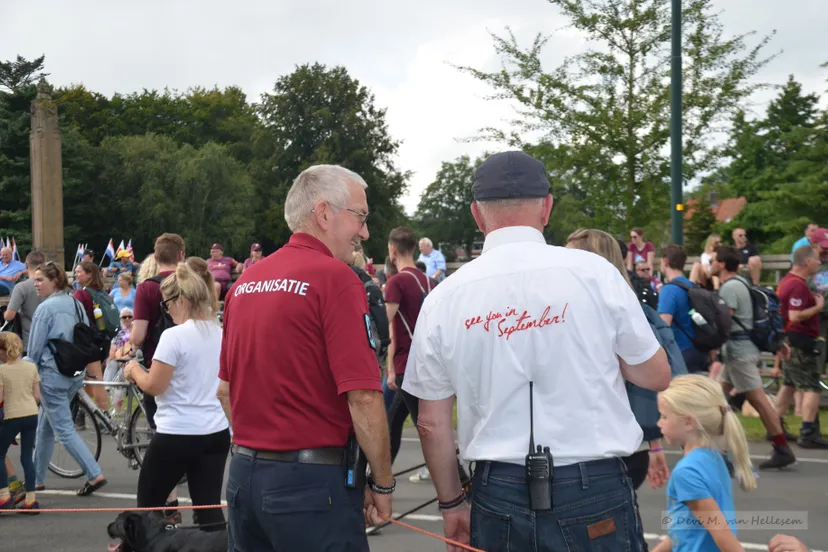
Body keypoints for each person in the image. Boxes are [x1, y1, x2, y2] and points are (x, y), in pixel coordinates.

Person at [402, 150, 670, 551]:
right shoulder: (596, 273)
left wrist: (452, 502)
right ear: (546, 207)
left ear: (478, 215)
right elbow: (656, 375)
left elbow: (432, 424)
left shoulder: (444, 298)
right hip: (592, 481)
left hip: (499, 487)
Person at [218, 164, 393, 551]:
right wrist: (381, 481)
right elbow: (363, 396)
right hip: (311, 486)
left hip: (245, 474)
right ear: (325, 213)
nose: (364, 232)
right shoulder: (337, 278)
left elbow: (225, 391)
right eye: (360, 217)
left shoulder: (243, 283)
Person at [565, 228, 686, 491]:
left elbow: (651, 381)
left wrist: (653, 444)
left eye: (572, 258)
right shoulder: (570, 312)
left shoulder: (625, 314)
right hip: (586, 445)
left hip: (615, 449)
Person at [124, 264, 230, 529]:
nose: (166, 309)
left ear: (181, 300)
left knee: (148, 507)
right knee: (209, 510)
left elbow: (155, 385)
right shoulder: (222, 333)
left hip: (177, 432)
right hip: (215, 431)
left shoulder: (174, 336)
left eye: (167, 303)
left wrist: (134, 370)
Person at [710, 246, 799, 467]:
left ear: (721, 264)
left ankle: (782, 448)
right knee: (717, 398)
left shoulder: (730, 287)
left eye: (713, 260)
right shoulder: (742, 283)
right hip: (739, 352)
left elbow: (725, 321)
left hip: (739, 352)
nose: (709, 264)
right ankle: (715, 446)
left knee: (758, 400)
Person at [28, 261, 107, 496]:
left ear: (54, 281)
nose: (36, 284)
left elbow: (34, 350)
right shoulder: (75, 302)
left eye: (40, 279)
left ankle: (94, 474)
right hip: (74, 372)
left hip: (52, 373)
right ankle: (36, 478)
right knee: (45, 427)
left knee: (62, 428)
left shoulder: (44, 309)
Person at [653, 374, 756, 552]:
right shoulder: (713, 457)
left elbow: (721, 531)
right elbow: (686, 528)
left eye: (664, 416)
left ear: (688, 422)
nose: (658, 423)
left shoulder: (687, 472)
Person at [773, 245, 827, 448]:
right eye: (816, 259)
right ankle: (807, 431)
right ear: (806, 262)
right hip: (800, 340)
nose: (820, 262)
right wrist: (817, 307)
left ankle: (775, 425)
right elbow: (795, 316)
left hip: (788, 339)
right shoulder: (797, 285)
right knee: (811, 387)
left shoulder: (787, 281)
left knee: (788, 384)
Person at [0, 332, 41, 512]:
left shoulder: (2, 370)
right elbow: (37, 396)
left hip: (12, 415)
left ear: (3, 351)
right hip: (31, 414)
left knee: (0, 455)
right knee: (26, 457)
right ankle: (30, 500)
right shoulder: (31, 368)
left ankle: (4, 496)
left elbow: (0, 398)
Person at [3, 251, 46, 354]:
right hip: (50, 340)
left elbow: (9, 316)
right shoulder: (52, 285)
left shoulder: (21, 287)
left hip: (29, 339)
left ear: (26, 265)